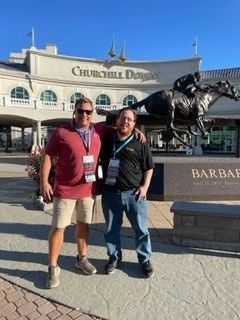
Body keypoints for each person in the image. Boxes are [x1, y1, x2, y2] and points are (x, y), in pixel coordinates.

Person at [40, 97, 145, 289]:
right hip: (65, 189)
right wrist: (45, 182)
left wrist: (136, 130)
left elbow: (122, 129)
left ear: (92, 114)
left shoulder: (99, 130)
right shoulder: (62, 132)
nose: (84, 115)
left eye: (88, 112)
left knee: (84, 225)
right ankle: (53, 267)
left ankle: (82, 258)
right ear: (74, 111)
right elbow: (48, 156)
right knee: (58, 228)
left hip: (88, 190)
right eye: (80, 111)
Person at [101, 107, 155, 278]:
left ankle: (144, 259)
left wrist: (145, 187)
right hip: (110, 193)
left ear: (134, 124)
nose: (126, 122)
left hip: (135, 195)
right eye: (123, 118)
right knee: (111, 229)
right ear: (117, 120)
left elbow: (149, 167)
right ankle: (114, 257)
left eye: (130, 120)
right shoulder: (107, 138)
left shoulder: (141, 142)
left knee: (141, 229)